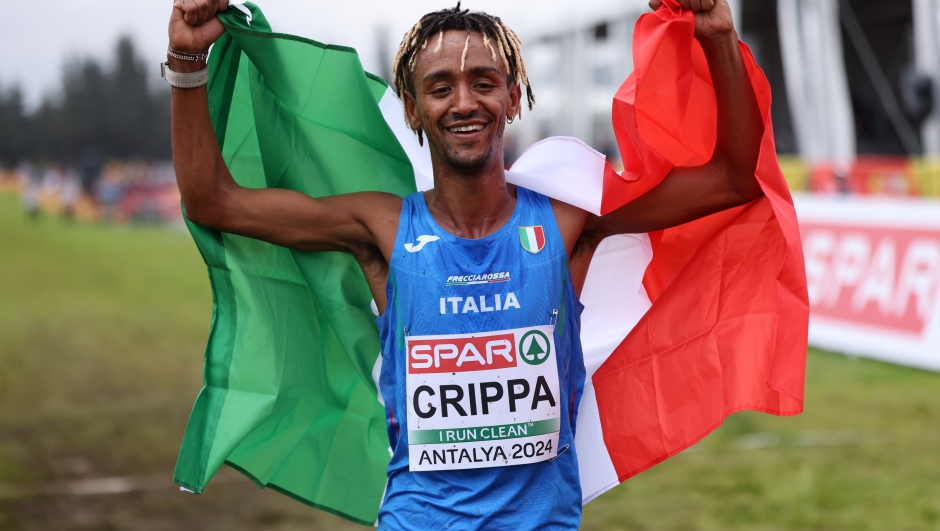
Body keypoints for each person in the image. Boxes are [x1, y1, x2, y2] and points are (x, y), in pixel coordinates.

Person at [167, 0, 764, 528]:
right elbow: (213, 201)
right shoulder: (381, 228)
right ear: (413, 106)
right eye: (440, 86)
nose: (463, 102)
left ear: (512, 96)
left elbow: (732, 178)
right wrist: (186, 63)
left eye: (483, 81)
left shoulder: (567, 223)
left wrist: (714, 32)